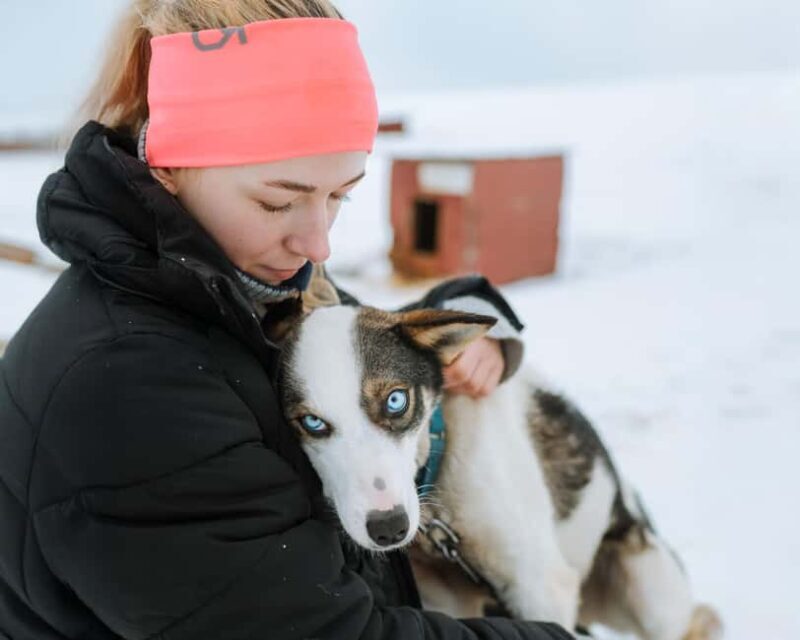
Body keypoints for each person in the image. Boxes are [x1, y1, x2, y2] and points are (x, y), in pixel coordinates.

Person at [0, 2, 573, 638]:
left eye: (340, 195)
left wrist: (473, 315)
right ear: (165, 169)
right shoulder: (126, 381)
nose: (318, 242)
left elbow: (361, 340)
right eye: (279, 202)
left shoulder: (243, 287)